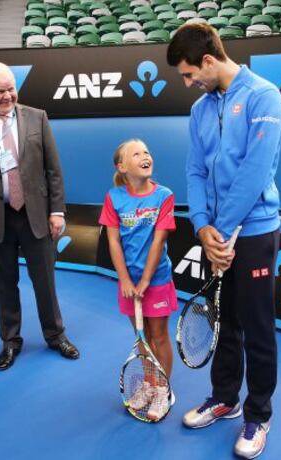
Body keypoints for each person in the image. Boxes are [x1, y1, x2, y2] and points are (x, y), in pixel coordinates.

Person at [167, 24, 281, 459]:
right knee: (225, 322)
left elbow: (256, 172)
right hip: (217, 235)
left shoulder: (264, 98)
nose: (188, 83)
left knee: (256, 326)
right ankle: (225, 398)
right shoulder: (200, 109)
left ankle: (258, 414)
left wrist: (226, 231)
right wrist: (203, 227)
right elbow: (195, 171)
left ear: (208, 60)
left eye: (188, 74)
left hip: (253, 233)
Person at [0, 61, 79, 371]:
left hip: (36, 214)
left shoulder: (37, 118)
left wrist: (56, 211)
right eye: (0, 90)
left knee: (45, 283)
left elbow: (53, 169)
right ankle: (10, 341)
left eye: (11, 88)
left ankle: (56, 335)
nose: (9, 95)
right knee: (4, 284)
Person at [99, 139, 178, 420]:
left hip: (155, 280)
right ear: (122, 166)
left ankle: (163, 390)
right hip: (128, 284)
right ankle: (148, 384)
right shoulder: (114, 197)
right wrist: (125, 279)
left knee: (158, 336)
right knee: (141, 338)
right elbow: (113, 241)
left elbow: (159, 240)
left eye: (146, 151)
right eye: (136, 153)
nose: (145, 155)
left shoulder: (164, 195)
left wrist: (145, 280)